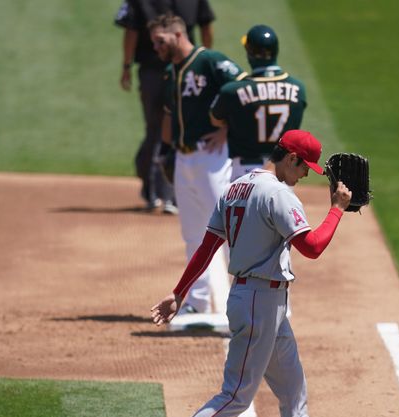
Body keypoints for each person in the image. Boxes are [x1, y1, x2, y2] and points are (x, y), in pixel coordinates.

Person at [140, 129, 359, 417]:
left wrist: (179, 293)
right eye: (304, 167)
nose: (305, 175)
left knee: (293, 391)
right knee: (236, 396)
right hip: (259, 302)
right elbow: (312, 247)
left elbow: (208, 246)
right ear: (289, 158)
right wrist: (337, 209)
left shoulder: (236, 187)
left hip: (262, 302)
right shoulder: (278, 194)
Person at [149, 14, 247, 314]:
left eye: (160, 41)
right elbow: (168, 117)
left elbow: (245, 91)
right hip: (183, 159)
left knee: (229, 229)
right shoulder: (170, 73)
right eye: (154, 43)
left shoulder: (210, 61)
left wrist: (226, 129)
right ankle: (197, 300)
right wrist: (166, 151)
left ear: (178, 34)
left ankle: (244, 301)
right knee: (192, 232)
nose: (156, 47)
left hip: (212, 157)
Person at [115, 0, 216, 213]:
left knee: (157, 131)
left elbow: (131, 30)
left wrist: (126, 65)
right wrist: (204, 61)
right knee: (173, 129)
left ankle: (157, 195)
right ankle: (168, 195)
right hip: (176, 70)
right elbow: (206, 27)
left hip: (161, 71)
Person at [211, 25, 308, 182]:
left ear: (249, 54)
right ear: (276, 51)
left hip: (245, 173)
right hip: (281, 172)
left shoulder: (232, 91)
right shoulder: (298, 89)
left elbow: (215, 119)